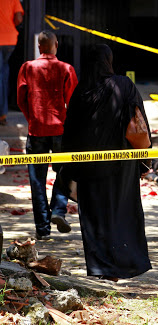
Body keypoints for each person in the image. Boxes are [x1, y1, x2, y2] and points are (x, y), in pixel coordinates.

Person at [61, 44, 152, 281]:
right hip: (123, 165)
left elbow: (70, 131)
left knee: (95, 216)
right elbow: (140, 122)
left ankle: (102, 268)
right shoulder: (124, 85)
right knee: (123, 213)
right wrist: (145, 161)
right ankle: (125, 264)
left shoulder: (81, 92)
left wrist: (68, 168)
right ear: (108, 61)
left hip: (89, 168)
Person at [17, 31, 78, 240]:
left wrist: (32, 118)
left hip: (36, 131)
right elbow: (74, 102)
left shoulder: (27, 68)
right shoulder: (66, 69)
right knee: (65, 173)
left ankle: (43, 229)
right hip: (60, 130)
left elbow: (21, 99)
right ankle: (59, 210)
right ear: (56, 45)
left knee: (37, 181)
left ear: (39, 46)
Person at [0, 0, 24, 126]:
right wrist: (9, 25)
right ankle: (3, 114)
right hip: (10, 40)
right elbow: (19, 18)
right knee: (3, 74)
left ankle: (1, 113)